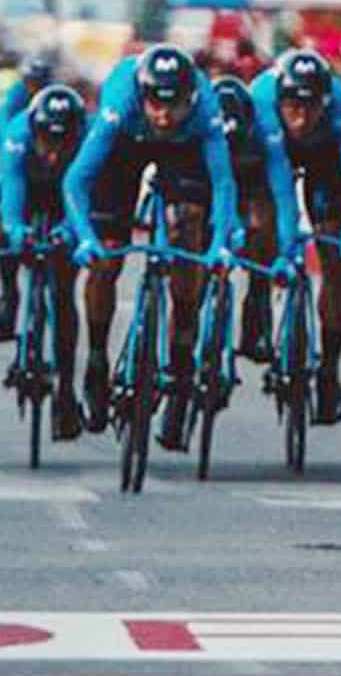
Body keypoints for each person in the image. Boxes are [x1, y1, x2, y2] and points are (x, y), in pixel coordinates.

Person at [63, 44, 239, 450]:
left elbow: (224, 183)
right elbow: (76, 181)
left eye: (172, 105)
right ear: (142, 95)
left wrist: (219, 246)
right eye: (154, 104)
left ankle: (179, 369)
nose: (162, 114)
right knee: (107, 256)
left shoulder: (204, 110)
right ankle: (96, 359)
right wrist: (87, 239)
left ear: (189, 98)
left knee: (188, 230)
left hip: (184, 149)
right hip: (127, 145)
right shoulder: (121, 101)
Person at [251, 48, 341, 425]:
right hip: (273, 155)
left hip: (324, 157)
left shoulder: (340, 112)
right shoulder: (262, 101)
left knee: (334, 255)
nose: (302, 117)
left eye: (310, 108)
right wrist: (285, 242)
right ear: (280, 101)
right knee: (264, 222)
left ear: (325, 102)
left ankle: (329, 371)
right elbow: (280, 188)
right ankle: (256, 299)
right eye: (293, 107)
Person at [0, 84, 88, 441]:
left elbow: (85, 198)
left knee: (63, 291)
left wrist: (69, 232)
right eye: (46, 143)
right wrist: (15, 230)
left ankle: (66, 390)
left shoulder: (88, 141)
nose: (52, 154)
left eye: (61, 145)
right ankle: (10, 296)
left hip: (68, 193)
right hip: (27, 190)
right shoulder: (18, 135)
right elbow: (11, 196)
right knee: (7, 237)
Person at [211, 75, 280, 362]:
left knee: (262, 229)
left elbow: (282, 192)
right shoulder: (199, 131)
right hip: (211, 180)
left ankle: (258, 309)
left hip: (254, 179)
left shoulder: (266, 133)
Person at [0, 54, 54, 344]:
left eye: (40, 83)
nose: (35, 88)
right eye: (31, 83)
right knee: (7, 225)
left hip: (51, 163)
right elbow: (5, 134)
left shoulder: (53, 99)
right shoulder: (14, 98)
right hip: (19, 156)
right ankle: (9, 294)